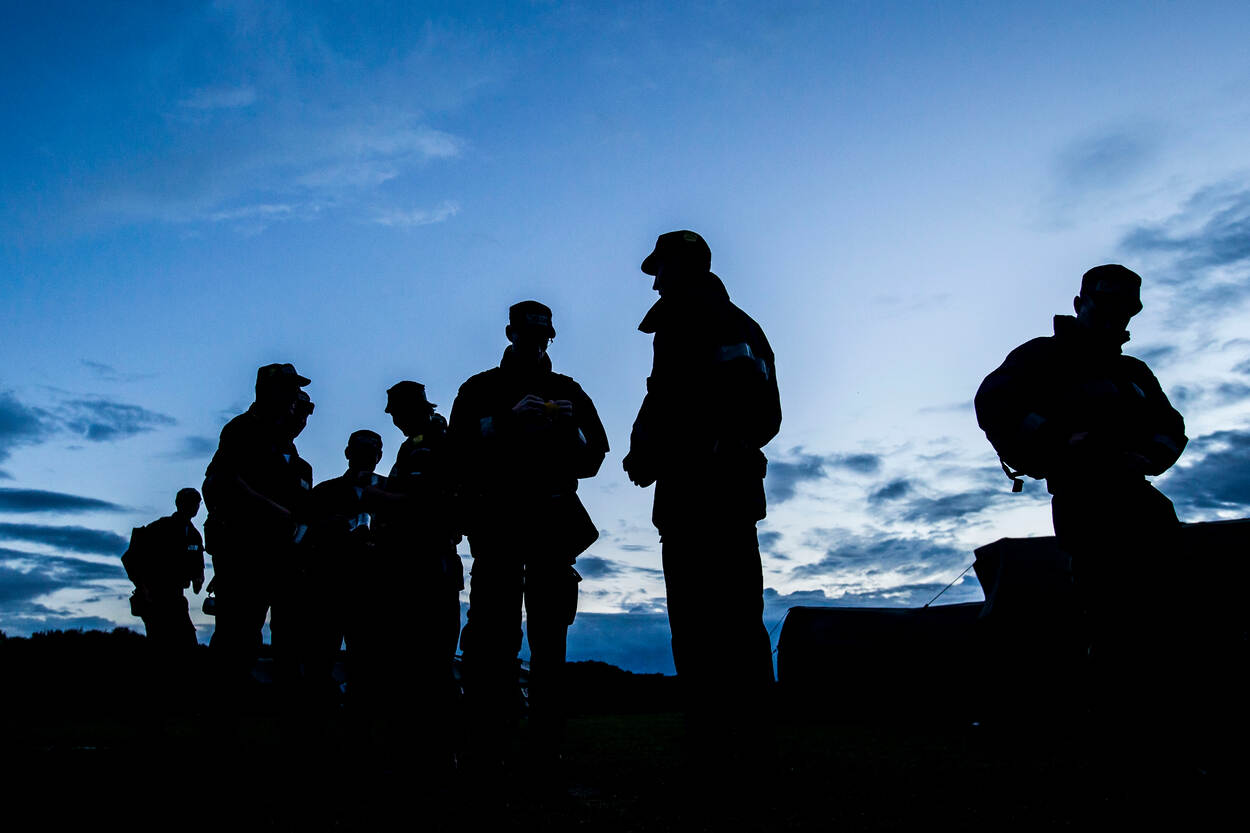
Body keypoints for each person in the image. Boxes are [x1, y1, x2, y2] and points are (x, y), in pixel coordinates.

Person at [974, 265, 1187, 743]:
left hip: (1142, 502)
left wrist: (1146, 456)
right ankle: (1108, 724)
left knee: (1168, 607)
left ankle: (1163, 719)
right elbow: (993, 403)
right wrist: (1057, 442)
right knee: (1107, 610)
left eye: (1124, 305)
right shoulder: (1042, 357)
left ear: (1134, 310)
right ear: (1080, 303)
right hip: (1085, 500)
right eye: (1103, 302)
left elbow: (1173, 429)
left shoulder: (1134, 373)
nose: (1114, 313)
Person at [623, 230, 781, 746]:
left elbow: (679, 400)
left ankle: (715, 739)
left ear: (681, 266)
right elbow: (759, 414)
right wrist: (647, 450)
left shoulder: (688, 320)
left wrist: (662, 452)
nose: (654, 282)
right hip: (726, 493)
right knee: (737, 618)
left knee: (699, 622)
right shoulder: (741, 324)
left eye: (659, 269)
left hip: (697, 492)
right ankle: (748, 735)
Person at [450, 301, 609, 767]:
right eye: (526, 333)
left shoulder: (568, 391)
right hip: (497, 522)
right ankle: (485, 740)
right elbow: (456, 451)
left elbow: (595, 455)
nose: (535, 341)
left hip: (552, 524)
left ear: (551, 337)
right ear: (510, 333)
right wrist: (504, 423)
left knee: (549, 638)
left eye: (543, 335)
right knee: (490, 637)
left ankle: (546, 747)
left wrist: (567, 428)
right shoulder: (480, 388)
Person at [202, 363, 312, 688]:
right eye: (290, 390)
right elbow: (221, 484)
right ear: (269, 391)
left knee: (289, 633)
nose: (295, 398)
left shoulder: (289, 449)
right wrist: (278, 514)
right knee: (238, 634)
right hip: (245, 553)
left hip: (284, 557)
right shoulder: (242, 431)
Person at [122, 487, 205, 654]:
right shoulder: (159, 528)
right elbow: (131, 558)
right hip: (155, 597)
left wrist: (198, 578)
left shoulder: (194, 535)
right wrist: (143, 587)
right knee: (160, 645)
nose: (193, 506)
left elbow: (197, 563)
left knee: (187, 644)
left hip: (176, 597)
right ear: (178, 504)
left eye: (196, 503)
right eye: (189, 502)